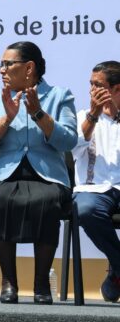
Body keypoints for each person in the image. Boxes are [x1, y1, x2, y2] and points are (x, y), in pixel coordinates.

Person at [0, 41, 77, 305]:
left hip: (48, 177)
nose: (2, 70)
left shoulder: (60, 96)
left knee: (47, 201)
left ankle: (41, 283)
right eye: (1, 64)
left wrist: (38, 113)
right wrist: (6, 118)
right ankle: (9, 281)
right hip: (3, 176)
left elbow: (68, 141)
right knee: (3, 199)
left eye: (8, 64)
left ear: (29, 68)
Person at [71, 61, 120, 302]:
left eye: (98, 85)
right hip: (93, 190)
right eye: (90, 84)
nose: (92, 90)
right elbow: (72, 150)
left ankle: (117, 271)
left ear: (117, 89)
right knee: (86, 210)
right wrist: (93, 115)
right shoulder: (82, 116)